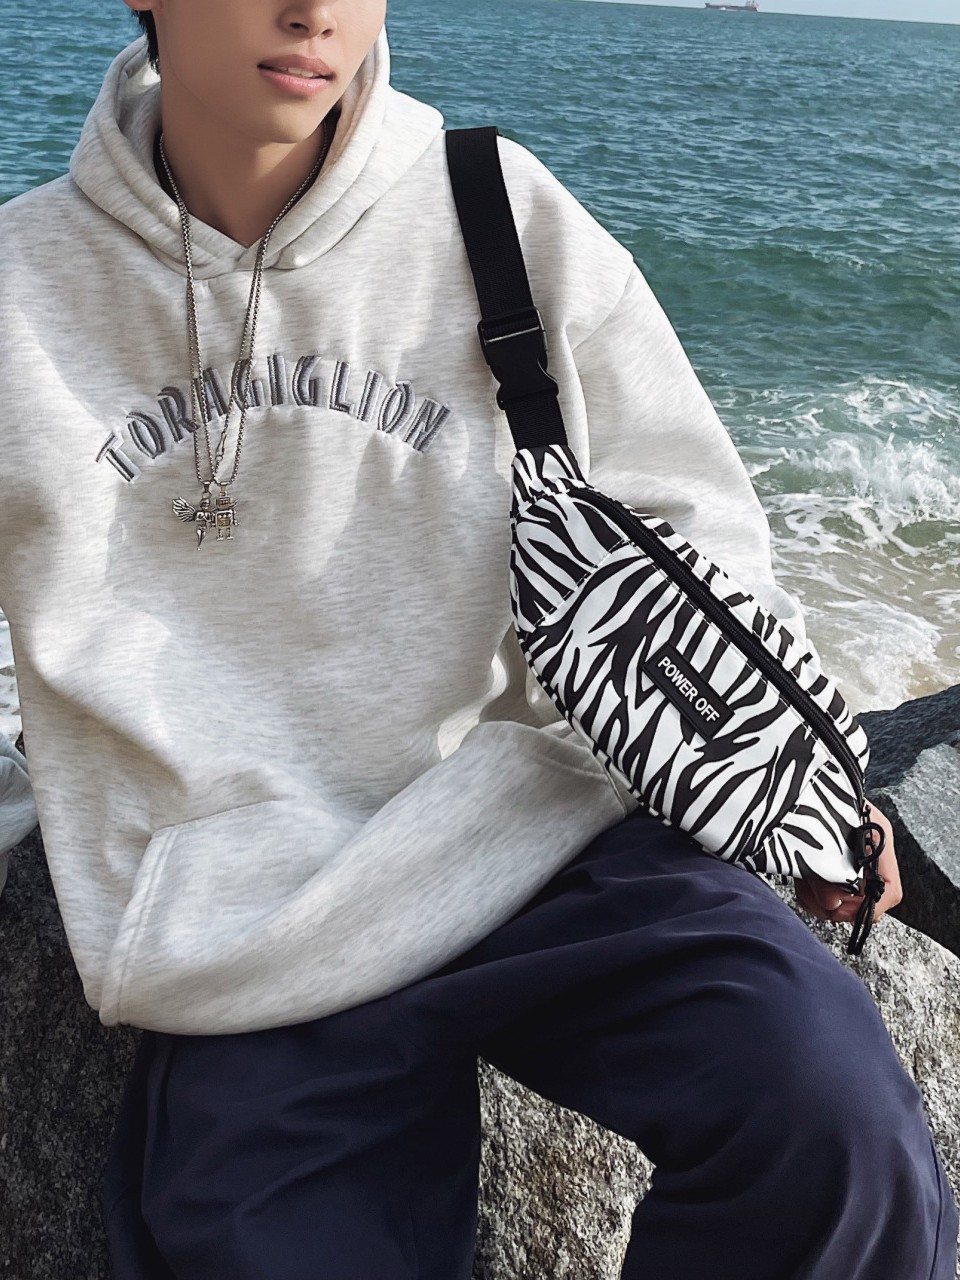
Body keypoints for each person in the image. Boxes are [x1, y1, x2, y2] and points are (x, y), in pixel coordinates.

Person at [0, 2, 954, 1277]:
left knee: (833, 1129)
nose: (314, 12)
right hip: (246, 914)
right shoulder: (23, 287)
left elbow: (695, 529)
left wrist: (805, 788)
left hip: (542, 825)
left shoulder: (490, 208)